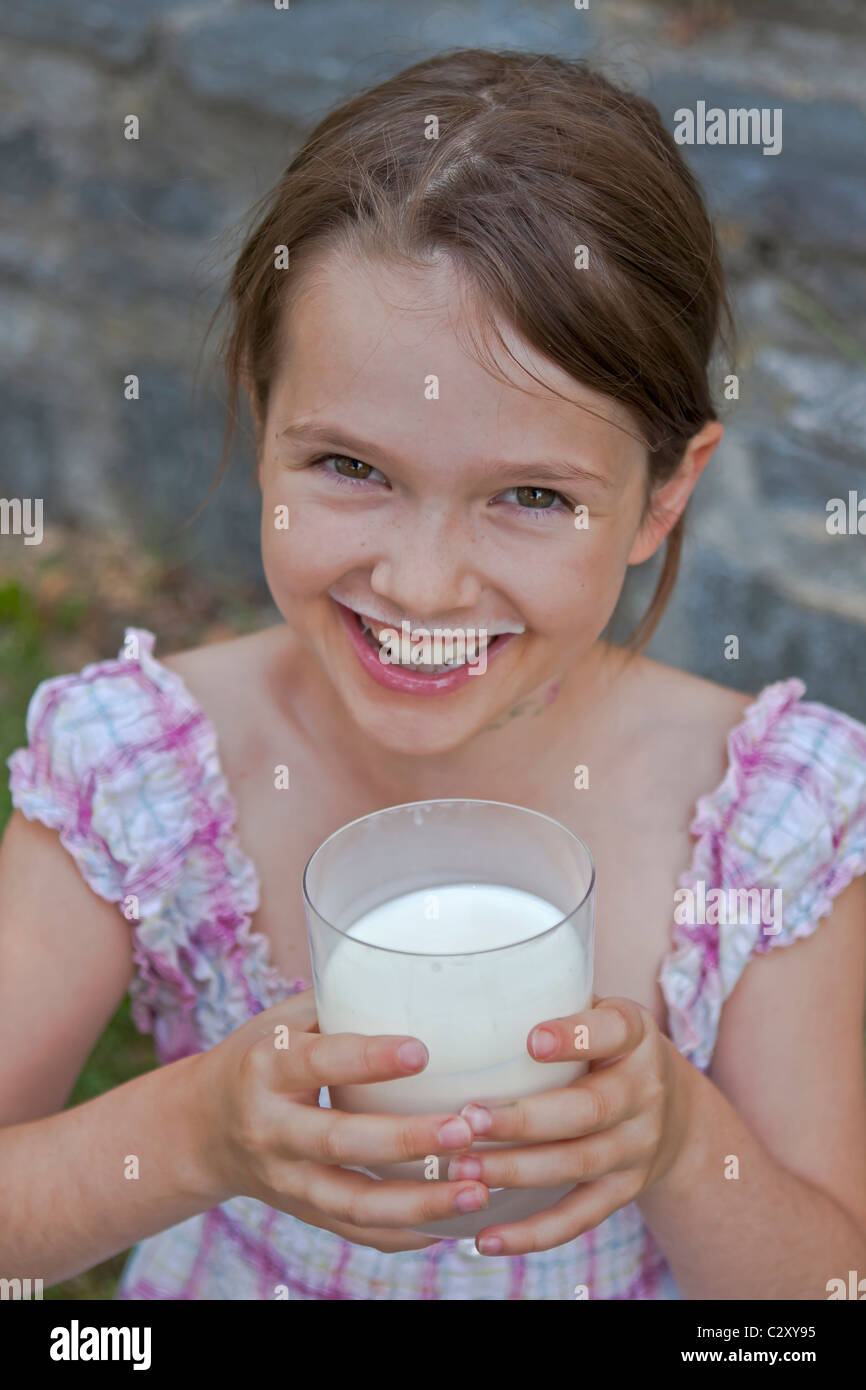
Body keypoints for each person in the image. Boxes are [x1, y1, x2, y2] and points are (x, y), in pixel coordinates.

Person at [2, 49, 865, 1301]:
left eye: (528, 496)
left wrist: (680, 1139)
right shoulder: (140, 771)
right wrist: (195, 1135)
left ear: (659, 497)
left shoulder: (764, 825)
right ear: (259, 417)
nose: (420, 585)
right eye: (351, 468)